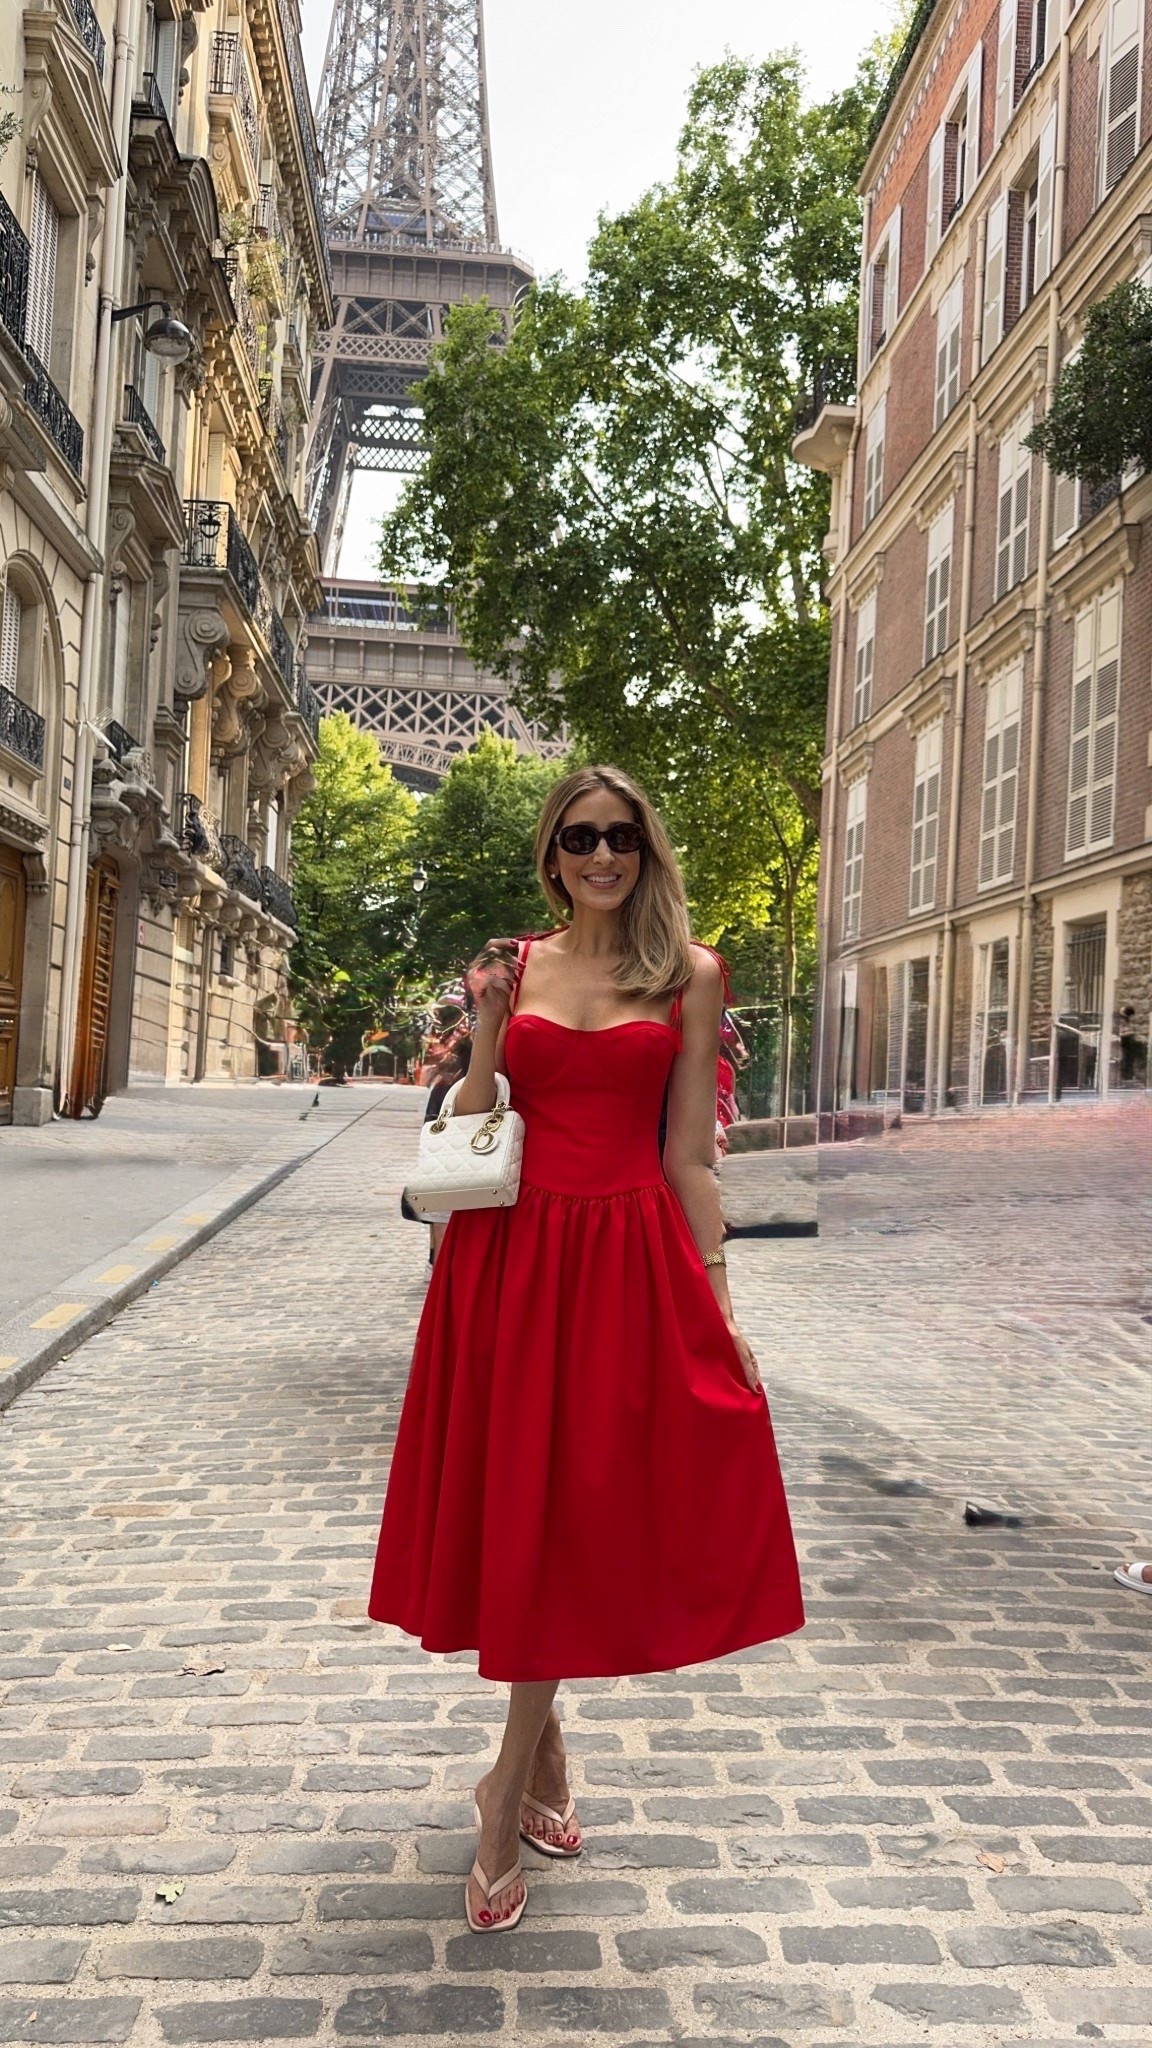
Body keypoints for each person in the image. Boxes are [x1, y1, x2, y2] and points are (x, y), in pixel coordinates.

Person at [368, 764, 804, 1933]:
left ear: (644, 847)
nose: (600, 855)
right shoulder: (518, 964)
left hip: (623, 1262)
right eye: (578, 838)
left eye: (619, 835)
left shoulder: (691, 976)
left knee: (574, 1512)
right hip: (506, 1268)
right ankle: (535, 1762)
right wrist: (492, 1026)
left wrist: (720, 1302)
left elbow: (689, 1158)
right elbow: (467, 1122)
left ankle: (504, 1784)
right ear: (551, 854)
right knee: (528, 1509)